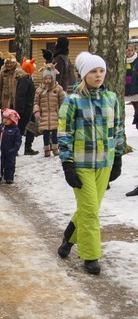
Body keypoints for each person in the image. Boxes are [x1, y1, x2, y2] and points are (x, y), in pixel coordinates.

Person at [57, 52, 124, 275]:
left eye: (101, 71)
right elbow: (64, 133)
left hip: (104, 163)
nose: (98, 75)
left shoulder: (112, 98)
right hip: (81, 164)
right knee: (90, 212)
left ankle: (68, 238)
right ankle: (90, 255)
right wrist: (67, 164)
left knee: (90, 209)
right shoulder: (72, 100)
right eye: (93, 72)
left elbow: (117, 129)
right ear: (84, 75)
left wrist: (118, 158)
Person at [33, 65, 66, 157]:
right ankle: (47, 149)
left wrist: (61, 112)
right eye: (46, 78)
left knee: (55, 133)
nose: (48, 80)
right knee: (46, 133)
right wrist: (37, 111)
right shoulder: (39, 90)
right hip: (44, 115)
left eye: (49, 78)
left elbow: (62, 101)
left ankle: (55, 148)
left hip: (55, 114)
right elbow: (36, 102)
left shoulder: (58, 89)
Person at [17, 57, 39, 156]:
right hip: (26, 110)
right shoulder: (25, 80)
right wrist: (21, 111)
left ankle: (26, 147)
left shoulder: (26, 79)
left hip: (27, 109)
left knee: (28, 129)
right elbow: (20, 96)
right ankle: (22, 147)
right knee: (25, 129)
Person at [124, 43, 138, 129]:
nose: (129, 52)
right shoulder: (122, 60)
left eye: (131, 50)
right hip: (125, 87)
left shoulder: (136, 60)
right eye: (127, 50)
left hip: (135, 87)